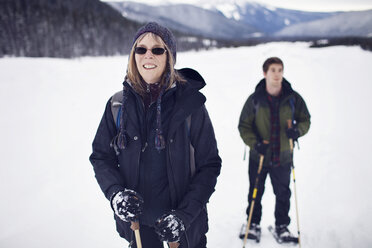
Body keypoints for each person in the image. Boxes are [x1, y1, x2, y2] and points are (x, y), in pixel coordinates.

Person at [89, 22, 221, 248]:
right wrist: (116, 194)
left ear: (169, 56)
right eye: (141, 49)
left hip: (184, 230)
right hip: (139, 230)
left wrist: (184, 216)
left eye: (157, 49)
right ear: (133, 55)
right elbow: (101, 157)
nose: (148, 55)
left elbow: (209, 165)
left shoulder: (190, 105)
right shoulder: (117, 105)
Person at [238, 57, 310, 242]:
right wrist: (255, 143)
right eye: (273, 70)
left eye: (280, 70)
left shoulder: (293, 98)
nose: (277, 74)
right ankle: (252, 224)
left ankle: (281, 226)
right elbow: (243, 126)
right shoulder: (255, 99)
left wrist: (297, 131)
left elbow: (305, 119)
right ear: (265, 73)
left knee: (283, 193)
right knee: (255, 191)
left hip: (283, 156)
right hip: (260, 155)